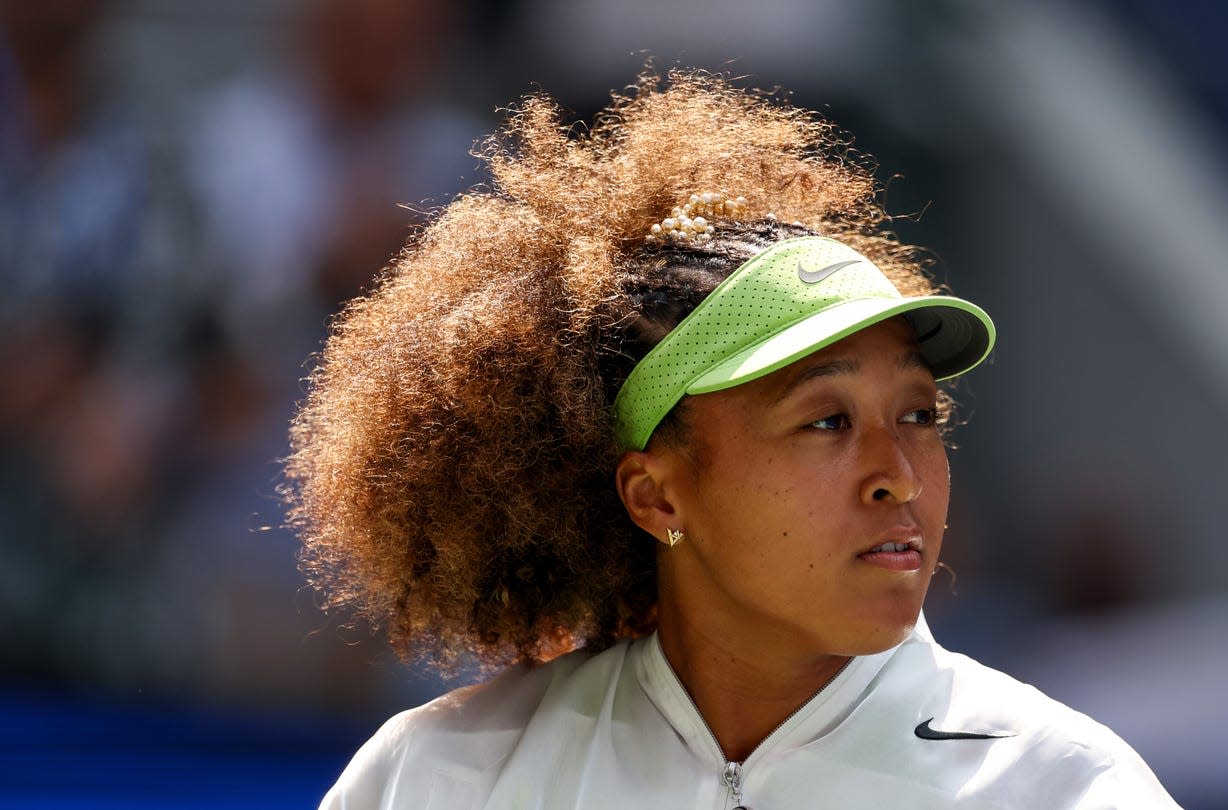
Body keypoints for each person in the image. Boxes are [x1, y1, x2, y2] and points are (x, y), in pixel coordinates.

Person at [285, 71, 1180, 808]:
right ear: (657, 495)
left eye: (918, 415)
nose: (899, 479)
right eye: (826, 421)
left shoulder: (1065, 788)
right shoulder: (441, 778)